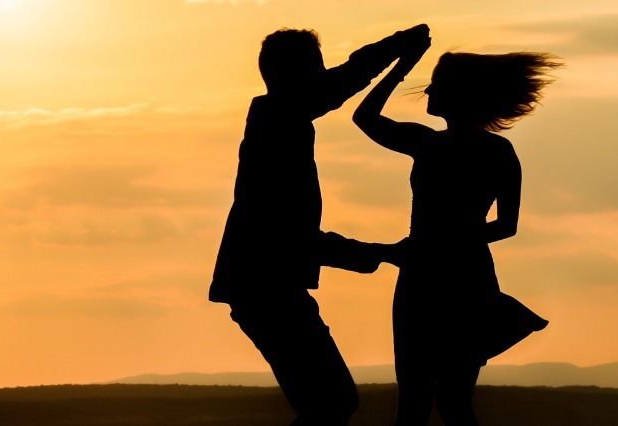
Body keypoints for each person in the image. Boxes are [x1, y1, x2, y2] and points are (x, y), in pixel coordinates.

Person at [210, 24, 431, 426]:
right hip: (265, 287)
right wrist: (379, 253)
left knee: (328, 403)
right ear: (293, 75)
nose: (324, 79)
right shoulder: (277, 123)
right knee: (331, 402)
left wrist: (397, 50)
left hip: (266, 286)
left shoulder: (279, 122)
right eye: (316, 70)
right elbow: (290, 238)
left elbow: (340, 81)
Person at [353, 35, 560, 425]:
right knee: (438, 401)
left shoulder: (452, 146)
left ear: (460, 94)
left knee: (434, 401)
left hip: (441, 274)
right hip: (448, 272)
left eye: (436, 84)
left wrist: (438, 245)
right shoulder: (457, 146)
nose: (428, 90)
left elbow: (507, 226)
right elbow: (363, 119)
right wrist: (401, 67)